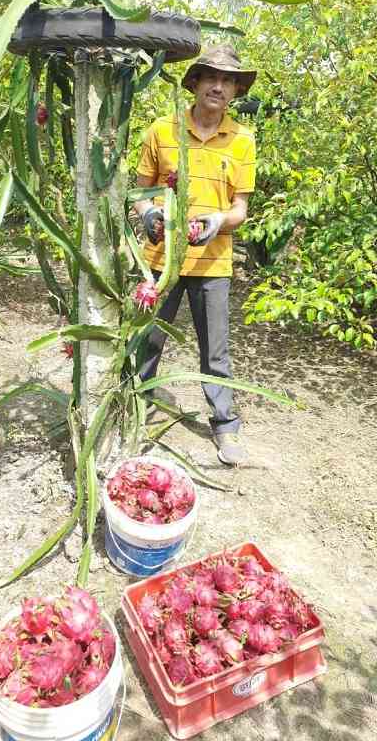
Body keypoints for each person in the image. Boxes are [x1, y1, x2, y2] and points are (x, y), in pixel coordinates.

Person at [134, 44, 257, 466]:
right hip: (159, 257)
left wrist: (219, 221)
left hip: (214, 262)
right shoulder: (160, 130)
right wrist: (149, 211)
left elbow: (240, 208)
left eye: (228, 81)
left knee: (215, 350)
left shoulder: (242, 140)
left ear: (236, 91)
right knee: (146, 339)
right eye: (211, 78)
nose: (218, 87)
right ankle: (135, 408)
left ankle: (225, 427)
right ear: (195, 83)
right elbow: (142, 190)